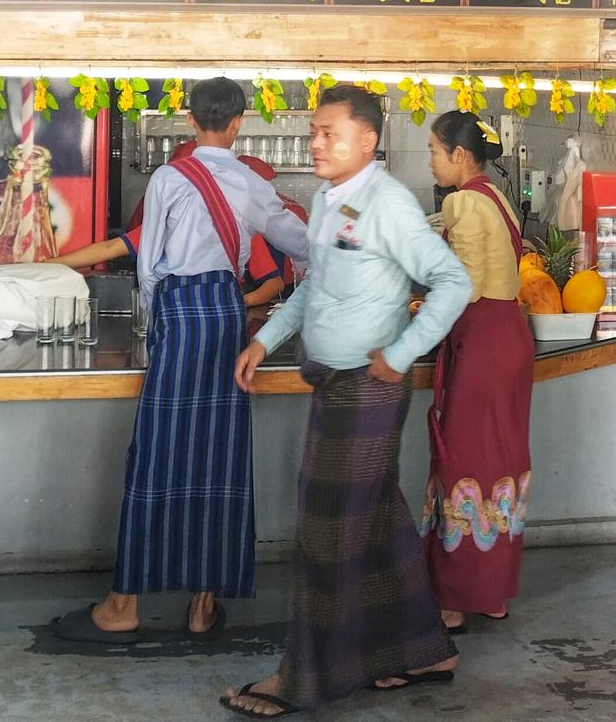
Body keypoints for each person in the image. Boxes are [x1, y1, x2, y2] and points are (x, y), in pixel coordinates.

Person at [220, 85, 473, 717]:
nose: (315, 143)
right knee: (377, 520)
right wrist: (267, 336)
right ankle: (424, 650)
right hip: (332, 382)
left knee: (325, 532)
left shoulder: (388, 204)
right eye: (313, 131)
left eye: (329, 133)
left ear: (368, 140)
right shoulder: (326, 202)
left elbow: (453, 280)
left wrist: (404, 349)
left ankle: (304, 676)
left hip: (369, 385)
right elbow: (314, 288)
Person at [52, 77, 309, 644]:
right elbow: (302, 244)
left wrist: (160, 312)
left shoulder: (169, 178)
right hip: (224, 314)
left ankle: (124, 605)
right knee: (220, 455)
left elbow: (149, 267)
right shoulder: (249, 180)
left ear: (191, 122)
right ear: (240, 123)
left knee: (158, 453)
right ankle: (202, 606)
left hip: (177, 315)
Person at [421, 110, 534, 634]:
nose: (431, 161)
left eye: (434, 152)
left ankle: (455, 597)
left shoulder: (461, 199)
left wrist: (417, 315)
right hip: (511, 336)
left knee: (462, 461)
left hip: (483, 343)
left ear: (459, 156)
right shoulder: (497, 196)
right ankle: (492, 593)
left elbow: (461, 286)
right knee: (502, 461)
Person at [49, 144, 306, 310]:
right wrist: (48, 264)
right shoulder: (164, 224)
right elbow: (109, 248)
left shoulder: (241, 226)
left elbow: (273, 284)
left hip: (225, 318)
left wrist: (236, 303)